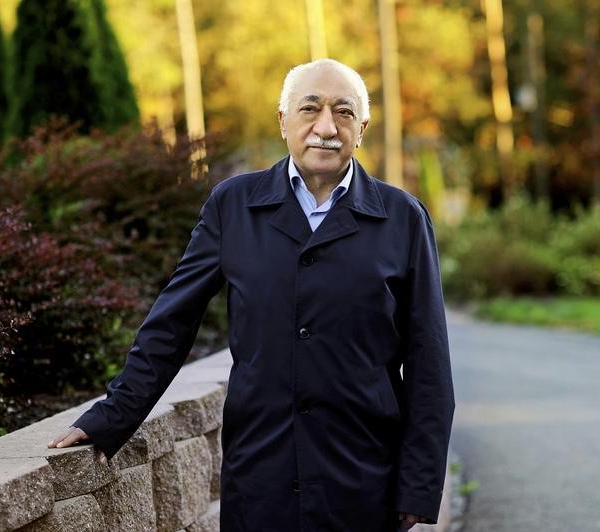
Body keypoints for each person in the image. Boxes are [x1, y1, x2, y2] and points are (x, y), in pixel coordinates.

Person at [49, 58, 455, 532]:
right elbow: (172, 322)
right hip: (261, 477)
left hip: (364, 481)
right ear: (283, 121)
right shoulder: (233, 206)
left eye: (343, 113)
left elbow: (429, 363)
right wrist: (112, 416)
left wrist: (418, 485)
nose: (326, 126)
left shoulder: (402, 218)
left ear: (361, 128)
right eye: (310, 109)